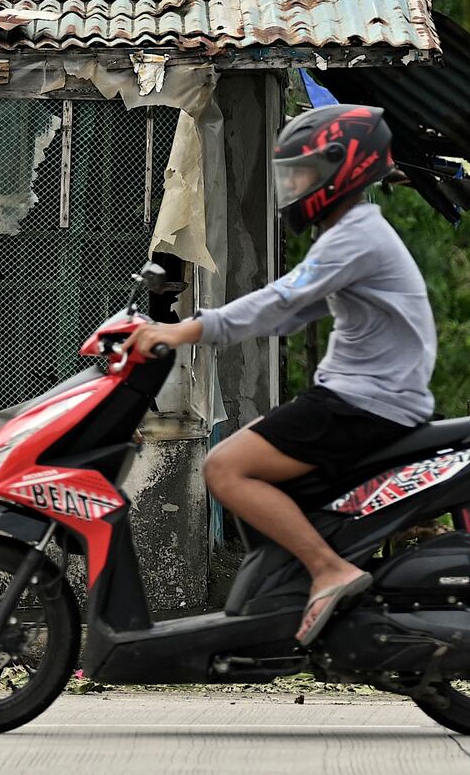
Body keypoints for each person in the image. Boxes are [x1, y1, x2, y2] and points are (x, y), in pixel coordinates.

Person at [126, 103, 436, 647]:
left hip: (363, 403)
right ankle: (285, 592)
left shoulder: (356, 237)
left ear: (345, 169)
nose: (295, 185)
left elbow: (281, 299)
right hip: (363, 397)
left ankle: (327, 570)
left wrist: (187, 330)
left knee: (224, 469)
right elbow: (294, 311)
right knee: (254, 466)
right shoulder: (355, 235)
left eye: (306, 172)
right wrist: (215, 329)